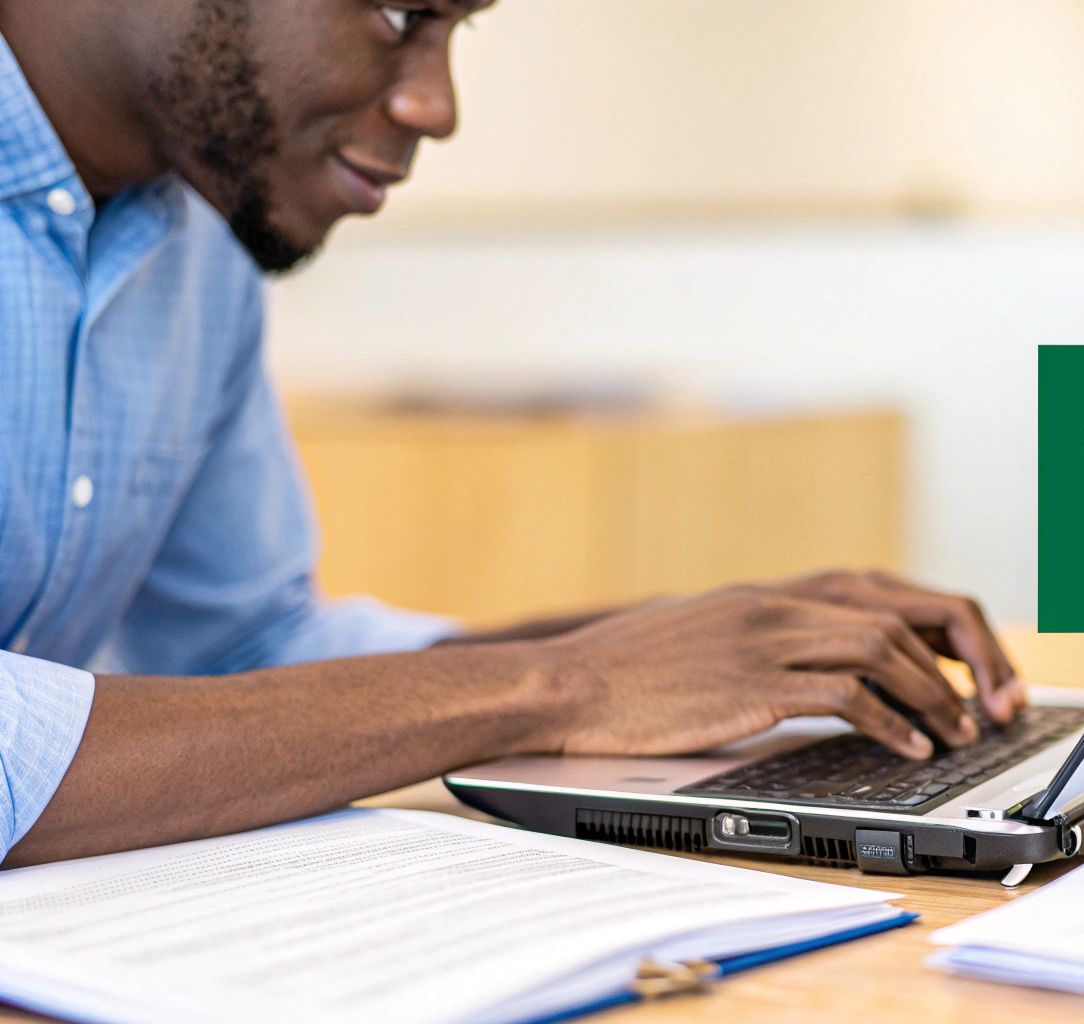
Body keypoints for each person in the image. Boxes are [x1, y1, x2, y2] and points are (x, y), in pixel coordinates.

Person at [0, 0, 1024, 867]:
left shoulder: (197, 252)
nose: (433, 107)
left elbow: (249, 652)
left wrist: (686, 648)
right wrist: (560, 686)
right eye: (403, 13)